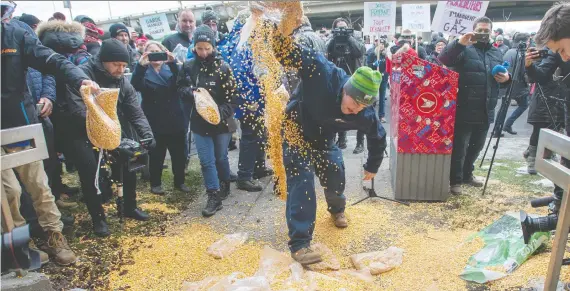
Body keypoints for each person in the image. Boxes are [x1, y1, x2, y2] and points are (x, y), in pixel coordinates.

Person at [254, 3, 387, 265]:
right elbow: (285, 51)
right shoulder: (321, 71)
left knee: (336, 174)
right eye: (354, 100)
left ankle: (337, 210)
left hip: (324, 136)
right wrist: (271, 23)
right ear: (346, 86)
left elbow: (378, 137)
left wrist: (372, 167)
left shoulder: (363, 113)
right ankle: (300, 243)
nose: (355, 108)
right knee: (302, 182)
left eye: (362, 105)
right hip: (296, 129)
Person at [1, 0, 99, 265]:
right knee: (8, 192)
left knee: (38, 184)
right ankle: (20, 245)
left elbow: (50, 59)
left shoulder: (16, 33)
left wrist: (79, 78)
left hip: (19, 122)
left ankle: (55, 235)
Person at [65, 39, 155, 236]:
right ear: (104, 61)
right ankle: (98, 218)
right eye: (116, 65)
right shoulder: (83, 74)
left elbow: (134, 110)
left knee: (127, 162)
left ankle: (130, 207)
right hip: (82, 130)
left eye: (124, 65)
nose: (120, 70)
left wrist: (146, 134)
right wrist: (105, 133)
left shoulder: (122, 80)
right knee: (91, 174)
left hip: (113, 127)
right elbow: (77, 109)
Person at [438, 16, 511, 195]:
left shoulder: (496, 53)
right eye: (480, 30)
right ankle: (454, 180)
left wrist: (506, 79)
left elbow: (499, 78)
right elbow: (444, 59)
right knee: (460, 147)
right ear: (473, 30)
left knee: (476, 146)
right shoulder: (464, 49)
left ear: (492, 32)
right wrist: (459, 43)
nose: (484, 34)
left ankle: (467, 175)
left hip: (486, 109)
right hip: (464, 107)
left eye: (487, 31)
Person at [177, 25, 238, 217]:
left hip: (222, 122)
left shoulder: (224, 67)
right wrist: (192, 93)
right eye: (199, 48)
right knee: (206, 161)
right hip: (198, 122)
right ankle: (213, 195)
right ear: (194, 47)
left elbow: (233, 98)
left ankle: (225, 182)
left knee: (220, 157)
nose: (203, 52)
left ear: (213, 47)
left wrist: (217, 112)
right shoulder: (187, 66)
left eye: (207, 48)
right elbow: (180, 88)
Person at [219, 12, 274, 192]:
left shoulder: (239, 39)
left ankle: (257, 168)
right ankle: (245, 176)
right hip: (249, 98)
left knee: (259, 133)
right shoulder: (242, 42)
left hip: (254, 96)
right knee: (251, 135)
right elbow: (240, 73)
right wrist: (250, 99)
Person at [131, 41, 190, 195]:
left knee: (179, 154)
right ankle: (155, 183)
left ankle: (180, 181)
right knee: (156, 154)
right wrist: (140, 66)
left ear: (164, 53)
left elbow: (181, 81)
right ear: (145, 55)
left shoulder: (171, 68)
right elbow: (135, 86)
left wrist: (172, 63)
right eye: (151, 52)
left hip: (175, 117)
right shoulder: (144, 70)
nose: (155, 55)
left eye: (158, 51)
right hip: (154, 119)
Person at [326, 17, 366, 150]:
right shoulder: (333, 39)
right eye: (339, 28)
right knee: (340, 109)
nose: (341, 30)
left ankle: (360, 142)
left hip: (355, 78)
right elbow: (325, 52)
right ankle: (341, 140)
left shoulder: (355, 37)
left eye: (344, 27)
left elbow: (360, 51)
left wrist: (348, 37)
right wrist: (333, 37)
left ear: (348, 27)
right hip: (339, 78)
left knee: (359, 110)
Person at [494, 33, 532, 137]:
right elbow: (524, 71)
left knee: (503, 107)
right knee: (524, 105)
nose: (529, 43)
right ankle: (508, 124)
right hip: (518, 85)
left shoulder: (509, 51)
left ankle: (497, 130)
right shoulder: (521, 54)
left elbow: (505, 66)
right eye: (528, 41)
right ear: (523, 42)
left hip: (507, 83)